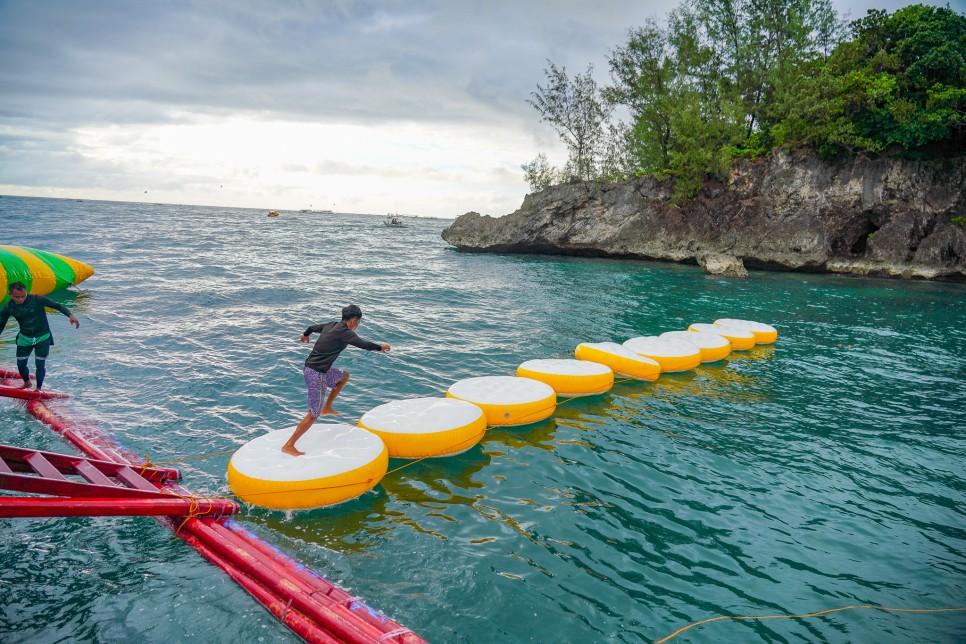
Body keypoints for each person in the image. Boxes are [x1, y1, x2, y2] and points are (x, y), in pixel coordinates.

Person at [281, 304, 390, 456]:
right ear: (353, 321)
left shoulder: (330, 325)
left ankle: (327, 408)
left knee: (343, 376)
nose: (356, 327)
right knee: (313, 413)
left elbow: (311, 327)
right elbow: (363, 344)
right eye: (357, 324)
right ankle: (289, 445)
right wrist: (381, 347)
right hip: (316, 374)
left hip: (320, 371)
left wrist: (305, 335)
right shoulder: (345, 333)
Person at [0, 282, 80, 391]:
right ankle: (27, 383)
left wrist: (70, 315)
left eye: (23, 296)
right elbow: (1, 325)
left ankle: (38, 389)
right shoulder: (8, 307)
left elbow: (57, 305)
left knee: (40, 364)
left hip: (42, 337)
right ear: (10, 295)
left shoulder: (37, 299)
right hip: (25, 337)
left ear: (26, 293)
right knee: (21, 364)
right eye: (17, 297)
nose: (21, 299)